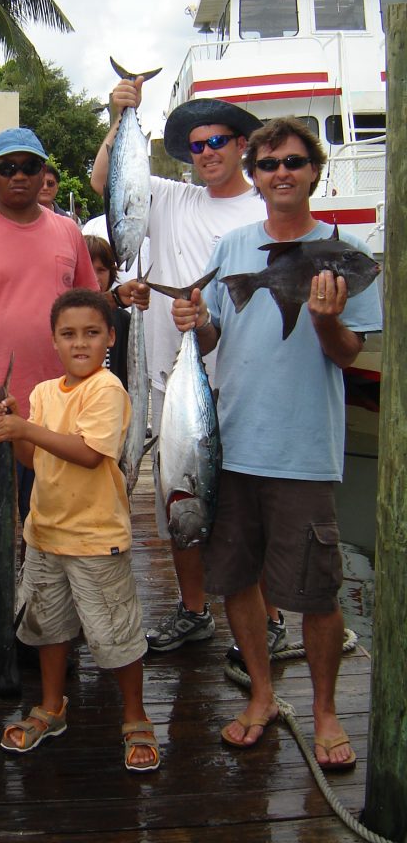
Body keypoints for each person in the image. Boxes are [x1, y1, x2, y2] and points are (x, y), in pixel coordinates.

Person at [171, 117, 381, 765]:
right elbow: (214, 342)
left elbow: (348, 356)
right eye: (269, 164)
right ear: (255, 176)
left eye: (293, 161)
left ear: (314, 170)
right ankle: (261, 695)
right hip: (228, 444)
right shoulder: (232, 248)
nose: (281, 173)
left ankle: (322, 712)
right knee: (235, 579)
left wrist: (324, 322)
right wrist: (198, 321)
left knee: (318, 592)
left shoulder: (344, 252)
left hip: (303, 451)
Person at [0, 127, 149, 608]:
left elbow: (88, 305)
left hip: (60, 418)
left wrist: (122, 297)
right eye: (7, 167)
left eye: (30, 167)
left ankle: (49, 625)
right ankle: (0, 628)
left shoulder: (66, 232)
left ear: (43, 174)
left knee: (57, 532)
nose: (19, 176)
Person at [91, 86, 279, 655]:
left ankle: (270, 618)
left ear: (242, 146)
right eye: (197, 146)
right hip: (171, 382)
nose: (207, 153)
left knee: (250, 506)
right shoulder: (169, 198)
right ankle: (194, 608)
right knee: (179, 495)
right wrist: (118, 114)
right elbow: (106, 183)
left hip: (243, 380)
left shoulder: (262, 209)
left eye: (218, 142)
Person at [0, 289, 159, 772]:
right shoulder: (44, 392)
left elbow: (88, 452)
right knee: (46, 627)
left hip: (95, 539)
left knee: (115, 633)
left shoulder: (107, 388)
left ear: (110, 337)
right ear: (54, 341)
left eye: (91, 333)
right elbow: (33, 458)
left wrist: (24, 429)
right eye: (68, 334)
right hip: (44, 535)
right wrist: (11, 425)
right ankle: (52, 706)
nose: (80, 343)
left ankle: (134, 714)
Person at [83, 234, 130, 388]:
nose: (95, 278)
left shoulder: (123, 319)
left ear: (111, 273)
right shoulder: (65, 319)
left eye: (101, 270)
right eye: (88, 269)